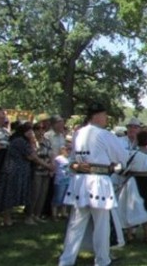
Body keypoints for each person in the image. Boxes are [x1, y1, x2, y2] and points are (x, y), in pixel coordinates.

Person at [58, 103, 129, 266]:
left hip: (81, 181)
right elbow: (122, 156)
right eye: (104, 115)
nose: (106, 119)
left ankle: (66, 260)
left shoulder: (78, 133)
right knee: (101, 224)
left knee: (76, 224)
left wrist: (76, 165)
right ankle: (102, 260)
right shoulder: (104, 134)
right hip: (98, 181)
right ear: (96, 116)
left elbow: (72, 160)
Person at [0, 122, 54, 226]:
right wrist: (48, 166)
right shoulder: (19, 141)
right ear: (24, 131)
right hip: (13, 171)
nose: (32, 133)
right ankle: (6, 219)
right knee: (9, 195)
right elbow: (32, 157)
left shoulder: (23, 140)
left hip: (20, 171)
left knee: (14, 195)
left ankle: (9, 219)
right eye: (30, 130)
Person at [117, 130, 147, 243]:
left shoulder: (133, 154)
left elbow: (124, 168)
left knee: (131, 207)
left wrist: (121, 173)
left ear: (138, 140)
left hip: (134, 181)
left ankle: (130, 235)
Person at [26, 122, 54, 223]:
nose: (41, 131)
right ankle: (29, 216)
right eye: (38, 129)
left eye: (43, 129)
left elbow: (51, 154)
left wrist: (51, 166)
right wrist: (47, 165)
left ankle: (37, 215)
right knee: (35, 194)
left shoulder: (47, 141)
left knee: (43, 194)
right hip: (36, 170)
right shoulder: (32, 142)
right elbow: (34, 157)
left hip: (46, 171)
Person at [52, 146, 71, 221]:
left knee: (65, 198)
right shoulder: (58, 159)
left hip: (68, 180)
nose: (68, 151)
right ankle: (54, 214)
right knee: (58, 198)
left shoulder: (70, 158)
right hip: (60, 181)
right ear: (62, 150)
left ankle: (64, 213)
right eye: (67, 149)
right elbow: (54, 167)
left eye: (70, 149)